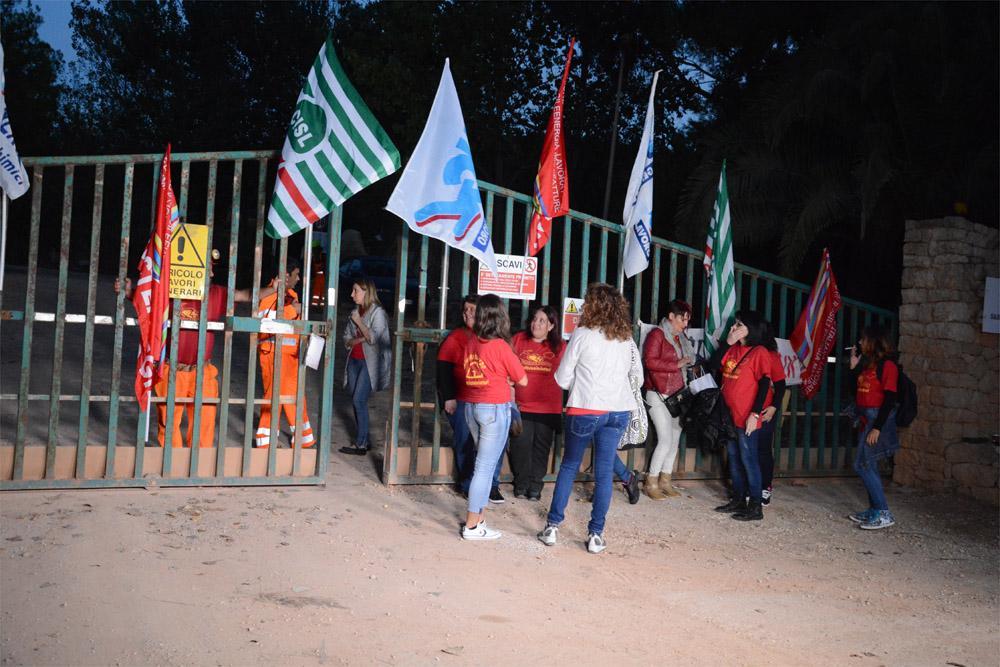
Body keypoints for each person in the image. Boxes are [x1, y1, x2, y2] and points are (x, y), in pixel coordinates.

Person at [115, 249, 271, 448]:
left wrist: (273, 288)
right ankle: (173, 464)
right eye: (207, 269)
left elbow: (246, 295)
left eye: (212, 269)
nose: (212, 273)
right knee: (169, 425)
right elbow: (147, 300)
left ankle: (198, 464)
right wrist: (129, 291)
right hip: (172, 371)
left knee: (204, 425)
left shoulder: (216, 294)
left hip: (202, 372)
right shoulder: (170, 292)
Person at [537, 283, 640, 554]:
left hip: (586, 408)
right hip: (618, 410)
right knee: (604, 472)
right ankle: (596, 535)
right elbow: (634, 375)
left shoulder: (582, 334)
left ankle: (552, 527)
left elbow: (562, 378)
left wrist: (581, 384)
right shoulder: (626, 338)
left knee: (570, 465)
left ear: (592, 306)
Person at [459, 295, 527, 540]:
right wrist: (505, 376)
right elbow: (522, 379)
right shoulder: (500, 345)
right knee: (485, 468)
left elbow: (472, 372)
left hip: (472, 407)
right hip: (494, 408)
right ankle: (472, 526)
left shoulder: (471, 342)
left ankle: (479, 520)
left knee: (483, 466)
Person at [708, 310, 777, 521]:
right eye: (734, 324)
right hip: (728, 417)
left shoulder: (759, 352)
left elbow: (764, 384)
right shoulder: (732, 349)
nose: (733, 328)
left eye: (739, 324)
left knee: (749, 459)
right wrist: (727, 343)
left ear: (751, 329)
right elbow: (712, 366)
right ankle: (738, 499)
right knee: (734, 459)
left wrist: (755, 414)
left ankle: (755, 505)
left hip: (746, 417)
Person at [437, 295, 506, 502]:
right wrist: (449, 397)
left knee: (495, 442)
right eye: (465, 309)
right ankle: (467, 484)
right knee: (465, 441)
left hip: (489, 399)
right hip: (462, 399)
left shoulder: (494, 338)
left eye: (472, 310)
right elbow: (443, 369)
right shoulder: (456, 337)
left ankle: (492, 485)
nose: (467, 313)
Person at [255, 261, 314, 449]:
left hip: (292, 355)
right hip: (272, 353)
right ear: (286, 276)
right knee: (273, 396)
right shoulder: (268, 293)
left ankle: (303, 438)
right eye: (296, 274)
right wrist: (291, 311)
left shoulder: (292, 295)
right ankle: (265, 440)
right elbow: (263, 320)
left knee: (294, 395)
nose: (299, 278)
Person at [509, 305, 565, 500]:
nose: (536, 324)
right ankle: (521, 484)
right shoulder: (518, 339)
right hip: (521, 405)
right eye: (534, 319)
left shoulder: (560, 346)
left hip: (547, 407)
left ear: (551, 326)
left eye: (542, 321)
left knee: (541, 448)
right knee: (520, 445)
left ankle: (535, 486)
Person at [641, 299, 696, 499]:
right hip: (657, 393)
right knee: (665, 439)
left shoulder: (681, 338)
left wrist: (688, 363)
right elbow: (649, 362)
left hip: (677, 394)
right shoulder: (657, 334)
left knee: (674, 439)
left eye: (688, 320)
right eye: (683, 319)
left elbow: (688, 361)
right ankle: (651, 482)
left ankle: (665, 480)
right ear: (671, 316)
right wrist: (677, 364)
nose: (685, 324)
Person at [847, 326, 900, 530]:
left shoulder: (888, 366)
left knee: (863, 464)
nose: (860, 342)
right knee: (869, 464)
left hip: (876, 419)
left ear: (874, 341)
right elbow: (857, 391)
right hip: (866, 418)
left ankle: (883, 512)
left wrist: (877, 427)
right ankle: (874, 510)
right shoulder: (869, 364)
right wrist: (853, 368)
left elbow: (890, 398)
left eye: (863, 339)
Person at [339, 277, 391, 455]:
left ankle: (361, 444)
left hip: (370, 363)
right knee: (356, 399)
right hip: (353, 360)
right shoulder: (355, 311)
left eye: (356, 291)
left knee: (358, 400)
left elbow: (373, 338)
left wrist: (359, 324)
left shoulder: (378, 313)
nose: (352, 294)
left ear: (366, 292)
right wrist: (360, 338)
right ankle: (365, 439)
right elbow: (346, 338)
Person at [757, 320, 786, 505]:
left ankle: (765, 487)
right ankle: (749, 486)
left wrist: (774, 407)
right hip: (744, 410)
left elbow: (781, 385)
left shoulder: (771, 355)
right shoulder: (745, 351)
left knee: (763, 450)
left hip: (765, 410)